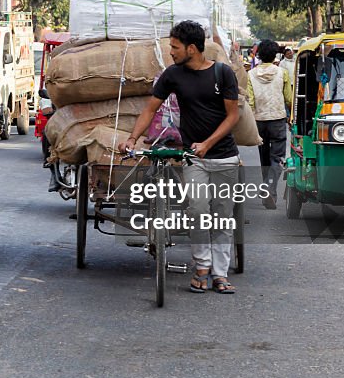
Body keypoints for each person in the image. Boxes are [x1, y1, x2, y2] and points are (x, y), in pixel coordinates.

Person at [118, 20, 240, 295]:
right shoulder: (172, 75)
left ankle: (220, 274)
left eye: (174, 47)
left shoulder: (223, 74)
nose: (170, 52)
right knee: (198, 211)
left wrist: (208, 143)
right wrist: (132, 138)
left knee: (222, 217)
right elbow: (150, 109)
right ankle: (201, 268)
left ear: (192, 49)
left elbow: (233, 116)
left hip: (224, 157)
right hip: (192, 158)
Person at [249, 39, 292, 209]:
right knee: (278, 158)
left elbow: (250, 101)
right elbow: (288, 98)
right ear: (275, 55)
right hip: (277, 119)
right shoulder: (282, 73)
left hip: (259, 121)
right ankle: (269, 188)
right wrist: (291, 115)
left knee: (264, 158)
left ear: (259, 54)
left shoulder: (251, 74)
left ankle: (268, 191)